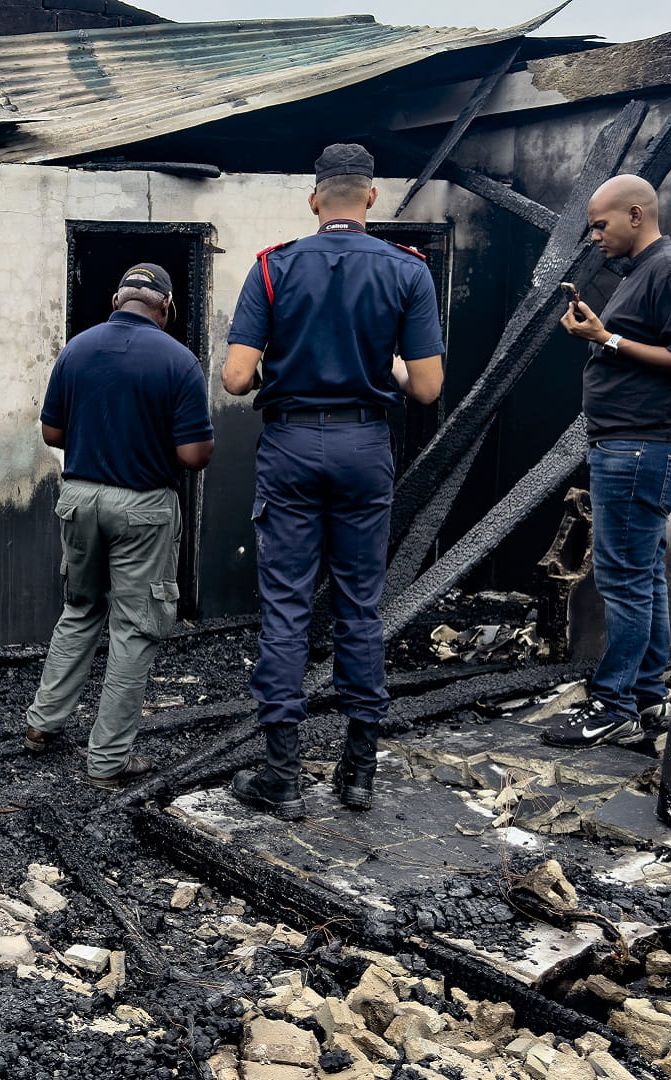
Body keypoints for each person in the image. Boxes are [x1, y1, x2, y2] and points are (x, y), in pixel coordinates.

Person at [220, 144, 445, 819]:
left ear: (315, 200)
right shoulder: (408, 272)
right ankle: (357, 775)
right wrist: (385, 374)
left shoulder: (272, 268)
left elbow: (235, 377)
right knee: (359, 605)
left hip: (290, 442)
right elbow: (427, 387)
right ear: (371, 198)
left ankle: (283, 778)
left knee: (287, 607)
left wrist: (284, 370)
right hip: (363, 446)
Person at [22, 263, 215, 790]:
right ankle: (108, 761)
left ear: (115, 300)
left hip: (79, 498)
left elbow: (52, 432)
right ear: (166, 308)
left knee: (81, 608)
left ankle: (43, 723)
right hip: (144, 507)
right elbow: (194, 455)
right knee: (134, 627)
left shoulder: (77, 349)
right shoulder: (180, 361)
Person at [542, 174, 671, 748]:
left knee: (623, 579)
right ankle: (647, 698)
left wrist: (607, 340)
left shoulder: (669, 270)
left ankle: (612, 703)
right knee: (642, 576)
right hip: (636, 444)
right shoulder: (643, 272)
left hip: (645, 446)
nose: (594, 236)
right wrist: (601, 334)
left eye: (600, 224)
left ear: (636, 215)